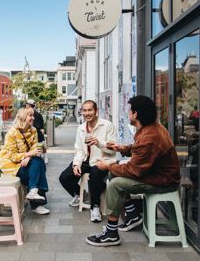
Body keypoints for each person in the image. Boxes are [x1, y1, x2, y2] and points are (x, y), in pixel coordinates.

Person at [86, 95, 180, 246]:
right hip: (156, 174)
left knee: (115, 183)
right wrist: (122, 148)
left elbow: (134, 170)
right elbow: (141, 151)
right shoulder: (151, 128)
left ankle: (111, 233)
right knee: (114, 173)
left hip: (163, 180)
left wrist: (108, 165)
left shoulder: (150, 136)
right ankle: (132, 214)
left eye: (130, 110)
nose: (128, 113)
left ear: (135, 114)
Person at [59, 100, 117, 222]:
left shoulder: (107, 126)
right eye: (84, 110)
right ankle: (82, 195)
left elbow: (113, 151)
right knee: (64, 177)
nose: (87, 113)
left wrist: (99, 143)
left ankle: (94, 206)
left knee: (95, 176)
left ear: (96, 111)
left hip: (102, 160)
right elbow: (79, 150)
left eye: (90, 110)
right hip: (86, 160)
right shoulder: (81, 128)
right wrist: (76, 164)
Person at [0, 106, 50, 215]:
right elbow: (12, 156)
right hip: (10, 164)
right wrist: (29, 154)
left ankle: (33, 192)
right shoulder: (12, 133)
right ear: (23, 117)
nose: (33, 118)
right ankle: (36, 202)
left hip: (26, 161)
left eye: (33, 115)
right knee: (39, 167)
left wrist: (28, 157)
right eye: (30, 116)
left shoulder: (33, 130)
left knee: (38, 162)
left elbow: (34, 148)